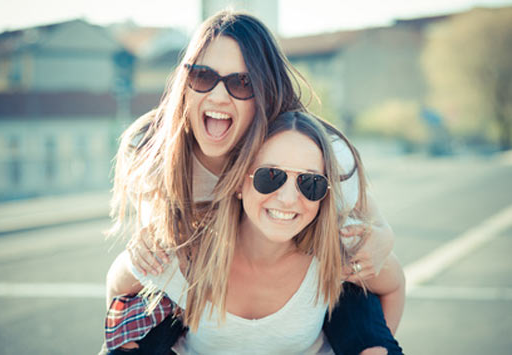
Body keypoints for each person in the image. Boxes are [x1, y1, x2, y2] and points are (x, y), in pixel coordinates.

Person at [103, 10, 404, 355]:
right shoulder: (152, 147)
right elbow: (149, 244)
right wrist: (142, 248)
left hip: (309, 284)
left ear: (264, 91)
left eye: (241, 83)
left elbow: (378, 232)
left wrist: (379, 242)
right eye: (202, 76)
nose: (218, 96)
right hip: (200, 288)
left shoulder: (306, 152)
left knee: (353, 295)